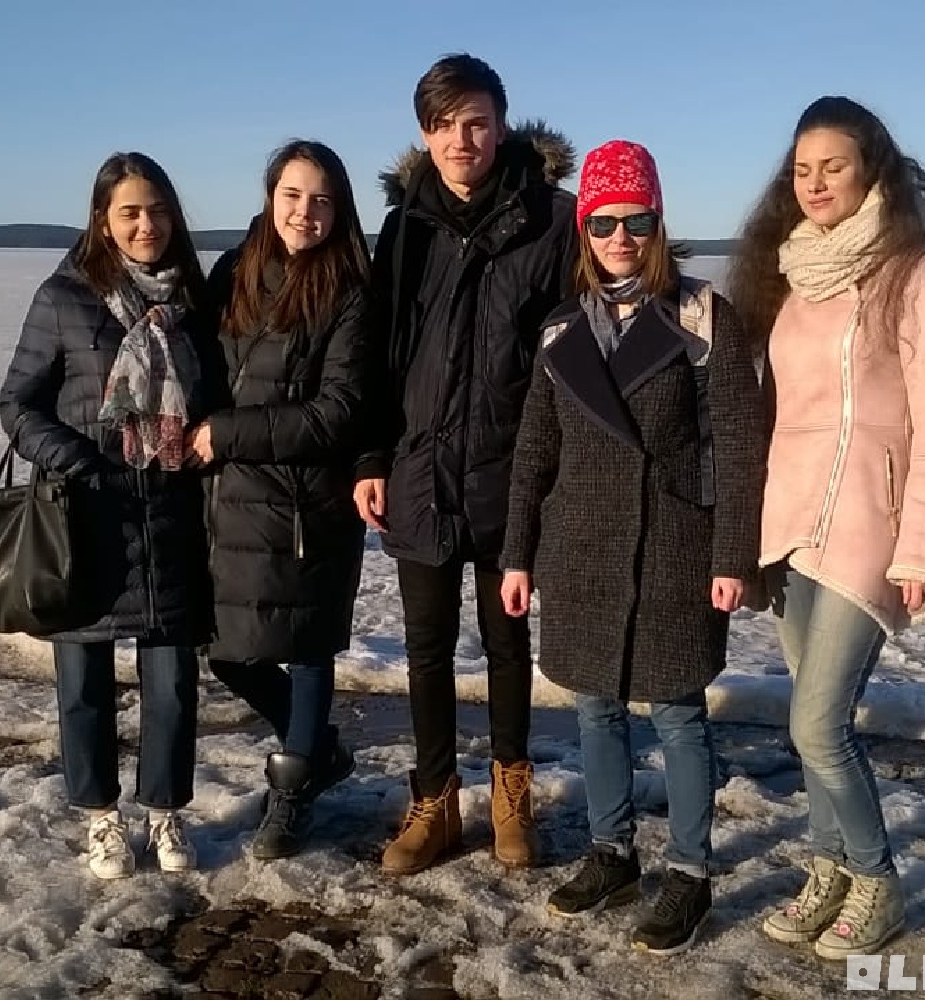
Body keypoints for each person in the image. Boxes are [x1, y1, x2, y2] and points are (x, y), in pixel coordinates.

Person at [499, 140, 766, 954]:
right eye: (604, 222)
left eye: (637, 220)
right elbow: (535, 452)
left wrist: (732, 555)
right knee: (595, 706)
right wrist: (518, 553)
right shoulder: (560, 330)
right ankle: (611, 853)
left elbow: (738, 444)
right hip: (581, 547)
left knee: (678, 713)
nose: (621, 237)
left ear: (659, 225)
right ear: (584, 230)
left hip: (673, 545)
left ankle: (689, 872)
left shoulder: (703, 317)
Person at [726, 96, 925, 959]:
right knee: (811, 718)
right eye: (802, 169)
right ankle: (827, 870)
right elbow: (775, 418)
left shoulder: (922, 273)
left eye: (833, 165)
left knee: (818, 724)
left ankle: (877, 880)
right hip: (793, 525)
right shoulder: (793, 277)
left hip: (871, 524)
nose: (815, 183)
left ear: (873, 170)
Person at [354, 52, 580, 877]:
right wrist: (373, 456)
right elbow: (380, 353)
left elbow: (569, 355)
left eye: (477, 122)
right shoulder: (405, 228)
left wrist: (552, 474)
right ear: (425, 133)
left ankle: (511, 795)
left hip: (508, 469)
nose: (462, 139)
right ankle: (436, 803)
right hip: (420, 469)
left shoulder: (552, 220)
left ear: (501, 126)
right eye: (445, 124)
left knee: (506, 642)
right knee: (426, 647)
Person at [0, 152, 214, 879]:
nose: (147, 225)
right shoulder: (64, 297)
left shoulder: (193, 299)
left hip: (170, 514)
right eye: (130, 212)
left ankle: (165, 811)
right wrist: (78, 462)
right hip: (86, 516)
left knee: (172, 684)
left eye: (158, 210)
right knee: (84, 684)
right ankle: (99, 818)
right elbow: (18, 404)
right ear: (102, 219)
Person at [185, 140, 370, 860]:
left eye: (321, 199)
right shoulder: (235, 268)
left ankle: (293, 792)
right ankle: (316, 746)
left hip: (303, 502)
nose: (305, 212)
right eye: (292, 195)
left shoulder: (348, 290)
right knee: (227, 651)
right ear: (270, 196)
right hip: (228, 495)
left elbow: (338, 413)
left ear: (339, 208)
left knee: (306, 643)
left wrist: (225, 434)